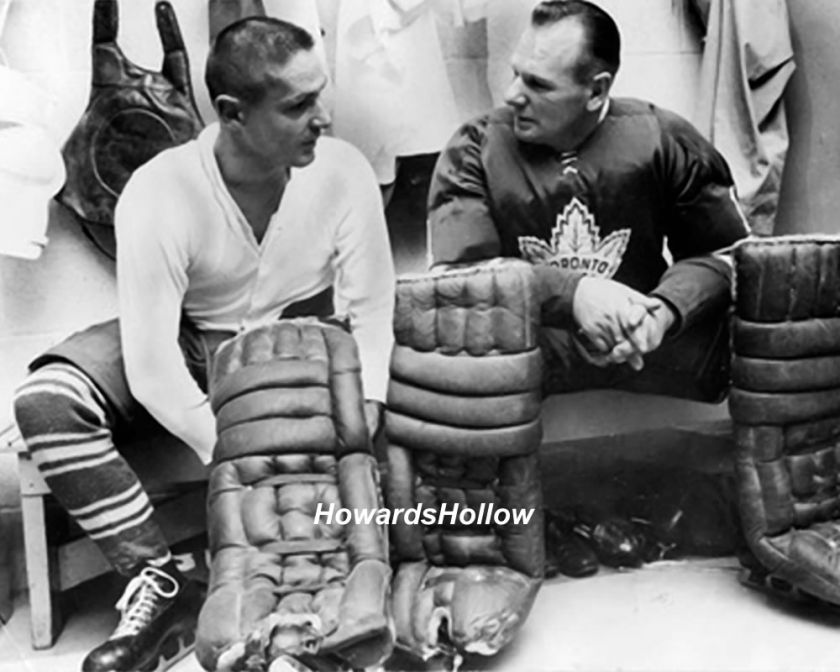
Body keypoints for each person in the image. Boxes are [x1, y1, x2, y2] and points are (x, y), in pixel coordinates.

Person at [13, 17, 395, 672]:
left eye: (320, 93)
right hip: (197, 346)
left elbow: (372, 309)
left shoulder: (344, 169)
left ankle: (345, 593)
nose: (324, 117)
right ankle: (161, 582)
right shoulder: (158, 189)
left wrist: (368, 406)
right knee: (46, 401)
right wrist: (234, 449)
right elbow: (155, 361)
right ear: (231, 113)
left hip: (302, 347)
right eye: (299, 104)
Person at [427, 0, 750, 575]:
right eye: (515, 72)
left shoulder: (660, 135)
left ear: (596, 90)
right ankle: (487, 535)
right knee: (451, 345)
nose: (511, 94)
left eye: (537, 84)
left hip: (647, 343)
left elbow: (727, 251)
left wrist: (665, 312)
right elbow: (460, 281)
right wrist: (574, 294)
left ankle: (762, 511)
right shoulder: (475, 146)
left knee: (778, 322)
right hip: (538, 347)